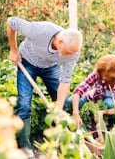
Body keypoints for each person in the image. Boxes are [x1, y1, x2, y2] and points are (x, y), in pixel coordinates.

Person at [6, 16, 83, 158]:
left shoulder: (73, 52)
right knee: (24, 104)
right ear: (60, 42)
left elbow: (65, 80)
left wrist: (58, 111)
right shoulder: (40, 30)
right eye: (67, 53)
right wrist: (13, 49)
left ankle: (56, 141)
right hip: (27, 62)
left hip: (50, 67)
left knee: (61, 102)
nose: (69, 56)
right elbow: (11, 22)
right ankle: (24, 147)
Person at [64, 54, 115, 143]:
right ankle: (68, 123)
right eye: (102, 74)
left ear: (114, 74)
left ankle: (108, 126)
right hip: (95, 99)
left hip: (112, 109)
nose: (103, 77)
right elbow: (79, 90)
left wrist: (103, 112)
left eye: (106, 75)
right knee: (69, 102)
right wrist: (75, 113)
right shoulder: (99, 73)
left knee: (108, 103)